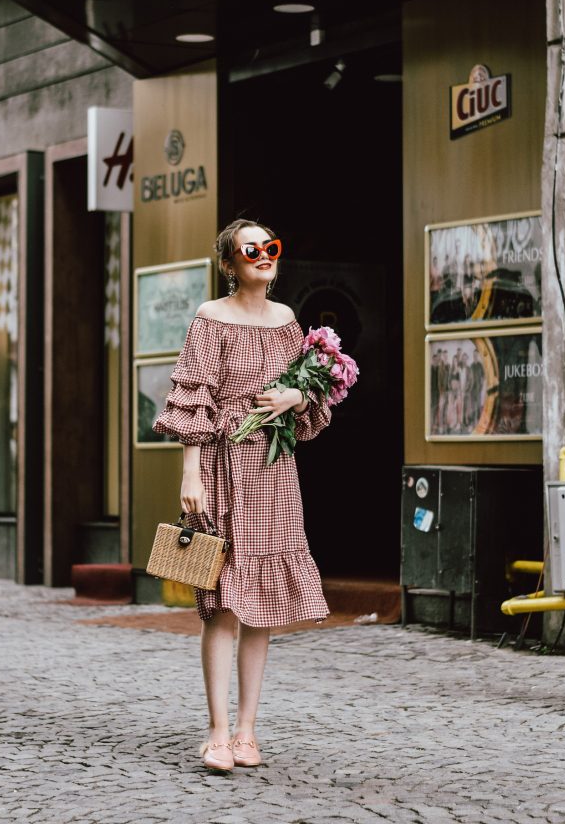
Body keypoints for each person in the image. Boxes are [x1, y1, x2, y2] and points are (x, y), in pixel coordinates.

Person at [153, 218, 332, 773]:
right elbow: (191, 397)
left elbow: (312, 403)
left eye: (270, 247)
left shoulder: (287, 323)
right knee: (221, 605)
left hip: (274, 472)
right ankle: (217, 732)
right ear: (229, 263)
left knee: (262, 606)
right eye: (249, 249)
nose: (262, 255)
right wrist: (190, 473)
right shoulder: (211, 318)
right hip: (223, 465)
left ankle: (249, 732)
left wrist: (295, 397)